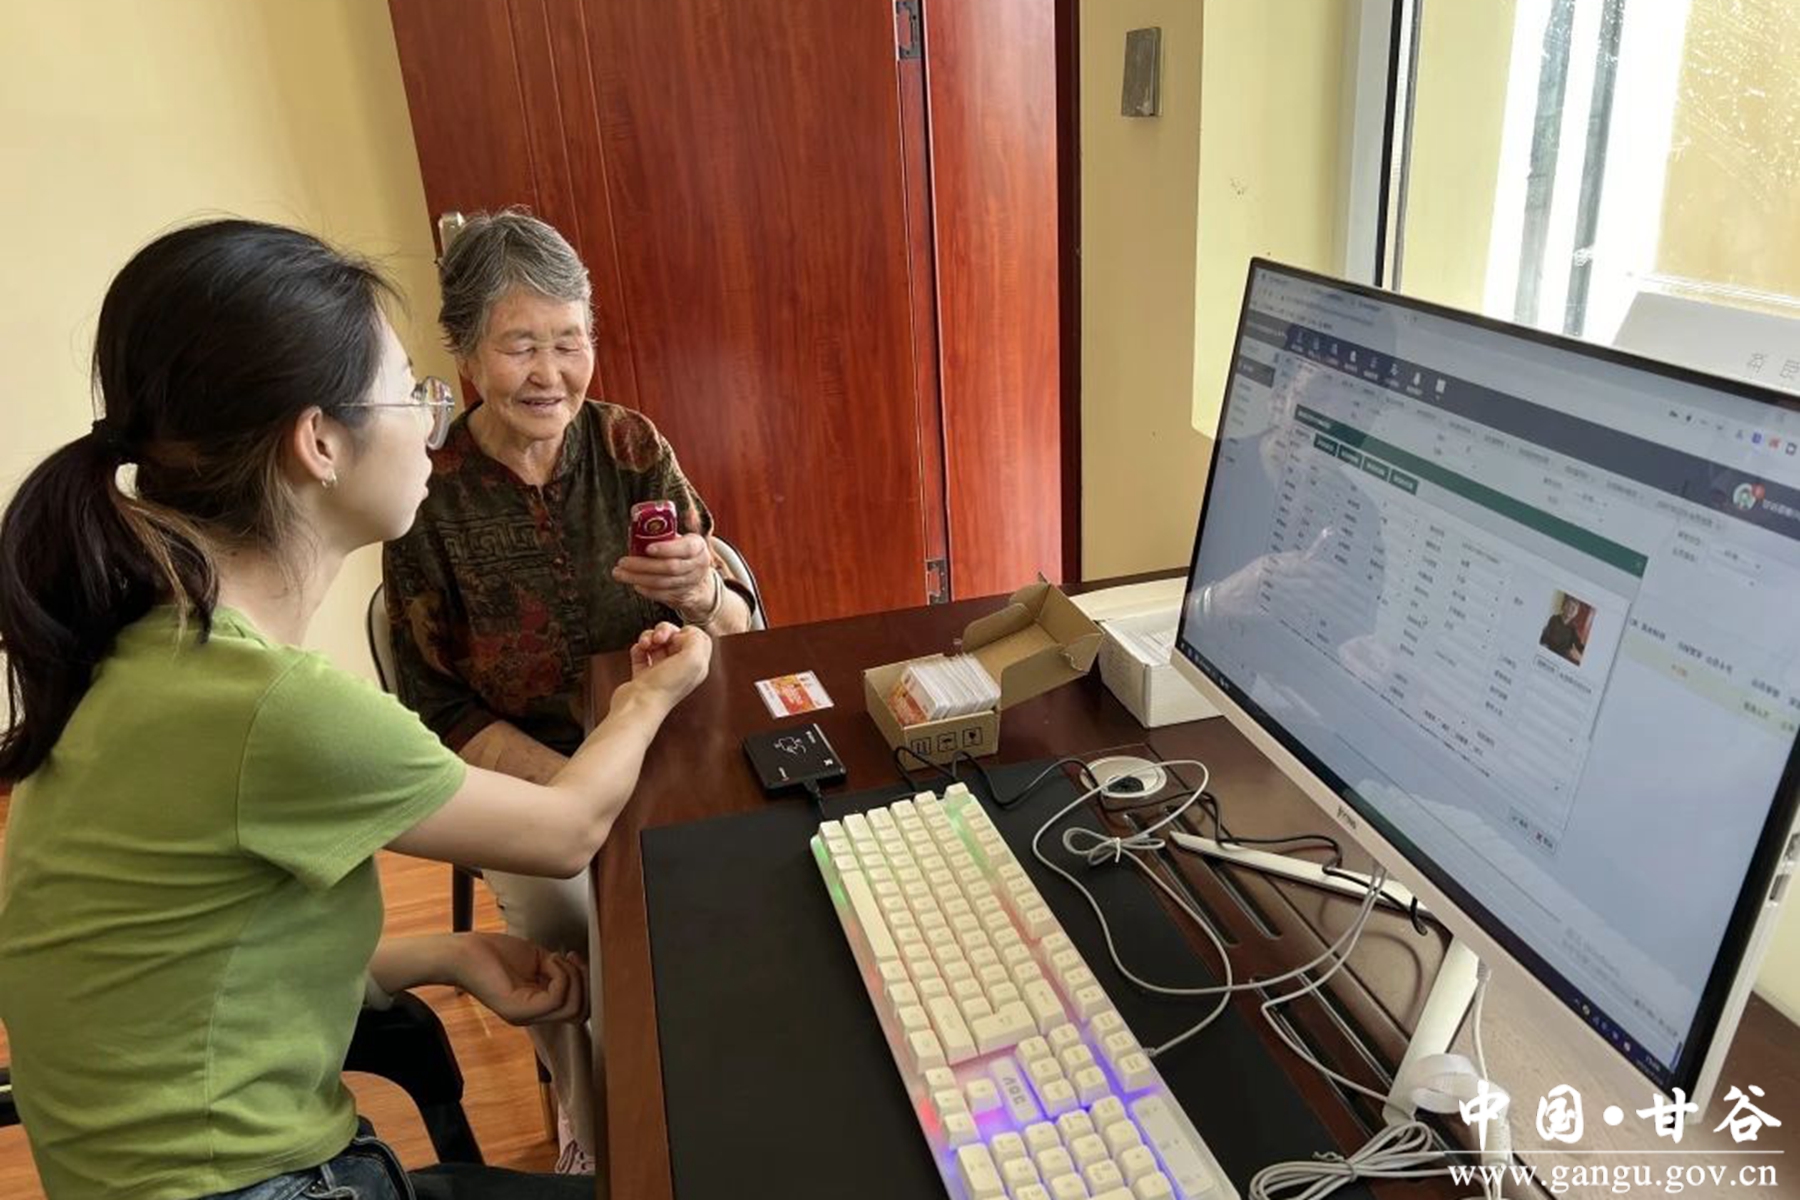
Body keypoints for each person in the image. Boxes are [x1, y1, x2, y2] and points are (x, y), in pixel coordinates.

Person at [0, 219, 711, 1200]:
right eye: (409, 391)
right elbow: (566, 830)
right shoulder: (270, 704)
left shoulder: (154, 647)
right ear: (319, 441)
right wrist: (649, 694)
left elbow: (199, 960)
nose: (429, 421)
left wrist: (445, 953)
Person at [381, 209, 752, 1171]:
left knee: (743, 878)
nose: (551, 374)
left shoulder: (629, 444)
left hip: (663, 741)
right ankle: (598, 1127)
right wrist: (578, 789)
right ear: (466, 353)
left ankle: (718, 1092)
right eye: (520, 346)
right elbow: (439, 710)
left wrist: (701, 592)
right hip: (527, 774)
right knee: (573, 925)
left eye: (570, 340)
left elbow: (741, 630)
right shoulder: (427, 493)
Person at [1540, 594, 1588, 664]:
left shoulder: (1573, 629)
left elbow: (1579, 646)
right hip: (1548, 652)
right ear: (1563, 606)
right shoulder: (1554, 619)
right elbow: (1545, 636)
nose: (1570, 609)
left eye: (1573, 608)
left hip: (1561, 658)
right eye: (1568, 605)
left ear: (1576, 613)